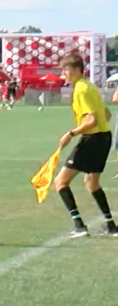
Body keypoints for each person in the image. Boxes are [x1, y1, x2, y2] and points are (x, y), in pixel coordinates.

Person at [52, 53, 118, 237]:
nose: (63, 73)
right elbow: (106, 115)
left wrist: (71, 133)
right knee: (92, 182)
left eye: (65, 69)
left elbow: (91, 120)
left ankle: (79, 225)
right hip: (104, 138)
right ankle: (111, 226)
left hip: (93, 139)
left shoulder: (80, 89)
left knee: (60, 182)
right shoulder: (90, 86)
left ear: (75, 70)